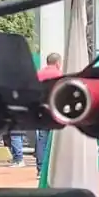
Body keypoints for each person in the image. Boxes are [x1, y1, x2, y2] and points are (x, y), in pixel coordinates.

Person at [35, 52, 63, 183]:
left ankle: (40, 169)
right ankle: (54, 168)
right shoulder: (59, 75)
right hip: (56, 111)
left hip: (41, 111)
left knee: (42, 139)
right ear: (58, 63)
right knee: (56, 141)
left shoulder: (39, 74)